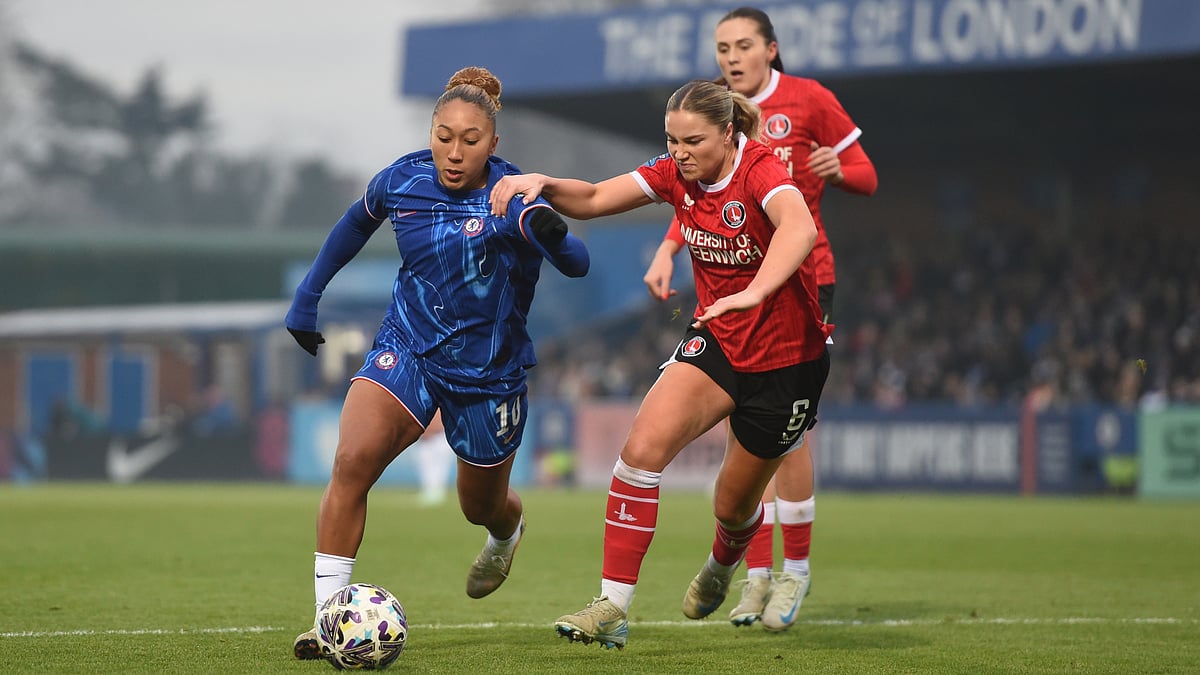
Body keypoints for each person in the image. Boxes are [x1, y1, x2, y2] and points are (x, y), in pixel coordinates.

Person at [490, 79, 830, 650]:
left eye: (693, 141)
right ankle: (612, 606)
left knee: (734, 505)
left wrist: (756, 290)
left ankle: (723, 565)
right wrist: (543, 184)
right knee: (639, 453)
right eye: (671, 140)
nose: (679, 153)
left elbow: (800, 228)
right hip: (717, 342)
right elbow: (596, 199)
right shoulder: (675, 174)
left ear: (728, 133)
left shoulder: (762, 170)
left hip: (787, 364)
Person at [285, 66, 590, 660]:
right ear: (431, 133)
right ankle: (330, 621)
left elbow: (576, 262)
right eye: (443, 136)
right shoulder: (404, 179)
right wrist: (308, 294)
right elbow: (355, 223)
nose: (454, 152)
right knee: (352, 462)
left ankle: (508, 533)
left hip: (487, 375)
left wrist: (553, 233)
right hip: (410, 347)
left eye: (470, 141)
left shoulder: (510, 195)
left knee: (480, 506)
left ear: (493, 145)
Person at [643, 6, 878, 632]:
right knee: (745, 438)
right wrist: (669, 247)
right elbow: (699, 193)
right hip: (733, 288)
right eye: (722, 47)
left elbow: (867, 176)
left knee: (786, 436)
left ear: (771, 50)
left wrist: (839, 170)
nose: (731, 58)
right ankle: (755, 578)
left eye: (743, 45)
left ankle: (791, 574)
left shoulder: (810, 100)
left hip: (802, 280)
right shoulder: (714, 116)